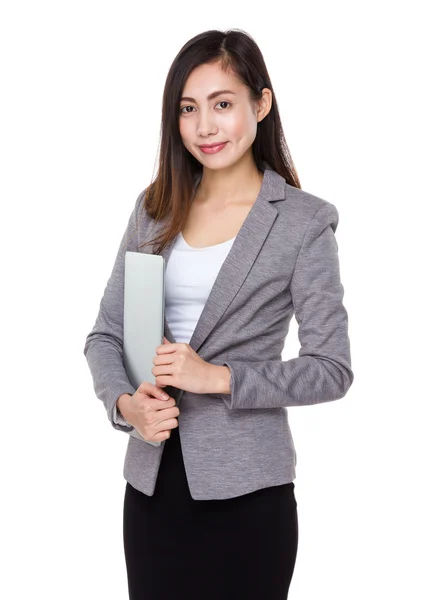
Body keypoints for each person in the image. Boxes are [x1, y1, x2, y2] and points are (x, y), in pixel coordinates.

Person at [83, 28, 354, 600]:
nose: (205, 126)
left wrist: (219, 378)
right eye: (188, 108)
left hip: (250, 496)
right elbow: (105, 334)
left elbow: (332, 367)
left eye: (222, 104)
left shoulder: (303, 222)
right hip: (152, 486)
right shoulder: (155, 206)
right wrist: (125, 404)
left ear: (261, 103)